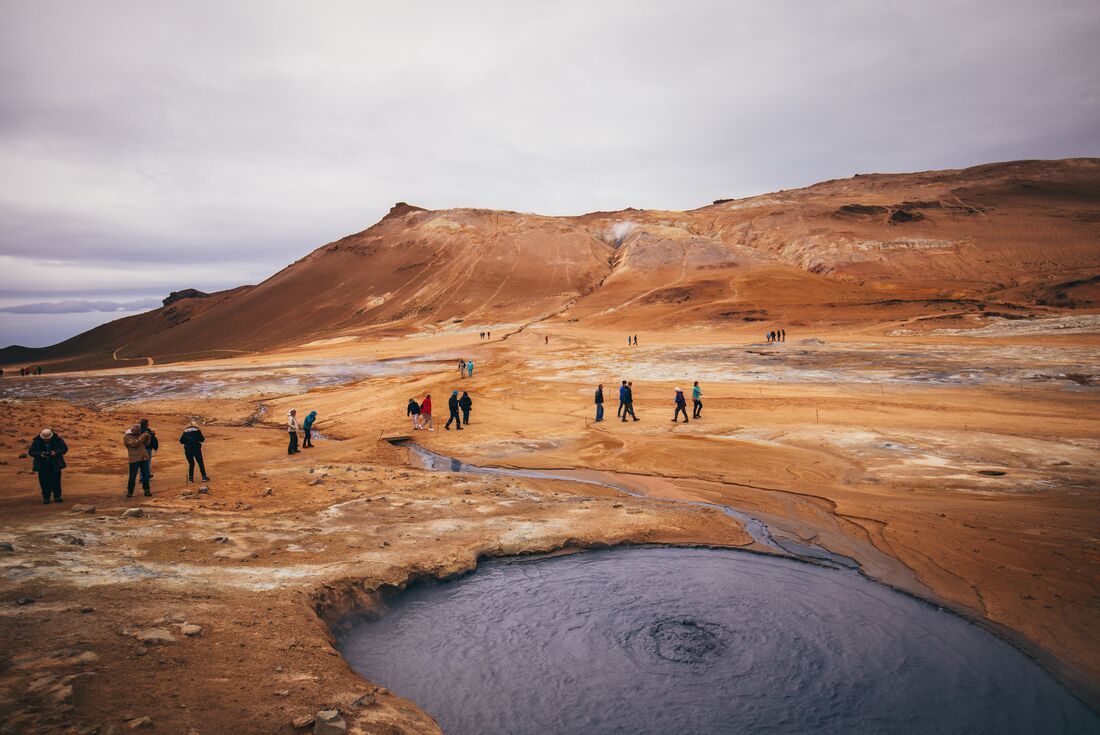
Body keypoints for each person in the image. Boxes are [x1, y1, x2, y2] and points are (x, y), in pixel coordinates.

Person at [29, 428, 68, 504]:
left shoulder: (57, 440)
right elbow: (31, 452)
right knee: (44, 482)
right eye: (45, 439)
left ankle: (57, 496)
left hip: (55, 464)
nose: (46, 440)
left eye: (48, 439)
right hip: (42, 465)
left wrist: (56, 452)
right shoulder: (37, 441)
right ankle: (46, 497)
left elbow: (64, 449)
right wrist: (40, 454)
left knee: (56, 481)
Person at [123, 423, 152, 497]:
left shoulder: (139, 435)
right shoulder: (127, 437)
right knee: (132, 476)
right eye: (138, 430)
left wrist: (148, 437)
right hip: (134, 459)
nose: (139, 431)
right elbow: (134, 444)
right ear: (133, 430)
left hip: (143, 457)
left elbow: (147, 444)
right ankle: (130, 491)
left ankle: (147, 490)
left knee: (146, 475)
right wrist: (143, 437)